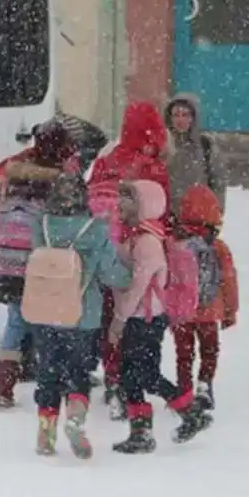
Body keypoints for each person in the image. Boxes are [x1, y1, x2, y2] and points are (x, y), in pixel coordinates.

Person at [24, 175, 130, 458]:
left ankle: (45, 432)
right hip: (82, 315)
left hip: (43, 312)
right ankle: (75, 419)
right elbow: (111, 274)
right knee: (78, 372)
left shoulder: (41, 226)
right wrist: (129, 275)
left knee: (48, 372)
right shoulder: (95, 231)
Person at [108, 180, 212, 453]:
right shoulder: (139, 235)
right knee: (135, 375)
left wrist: (119, 319)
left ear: (145, 205)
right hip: (144, 318)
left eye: (127, 198)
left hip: (144, 319)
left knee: (143, 375)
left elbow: (138, 286)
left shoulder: (147, 241)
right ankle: (150, 427)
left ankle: (179, 416)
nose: (120, 203)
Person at [88, 101, 171, 419]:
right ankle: (134, 381)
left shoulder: (107, 160)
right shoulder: (151, 166)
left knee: (108, 315)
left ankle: (112, 376)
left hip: (102, 249)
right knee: (136, 318)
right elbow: (160, 208)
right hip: (137, 247)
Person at [0, 120, 78, 408]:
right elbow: (63, 224)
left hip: (4, 255)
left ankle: (5, 387)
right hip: (33, 258)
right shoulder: (58, 182)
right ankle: (50, 379)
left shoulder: (12, 171)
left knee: (16, 319)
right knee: (45, 317)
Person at [171, 185, 239, 412]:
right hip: (210, 309)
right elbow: (228, 280)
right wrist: (230, 310)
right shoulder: (218, 246)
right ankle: (204, 385)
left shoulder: (174, 242)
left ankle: (184, 390)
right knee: (209, 350)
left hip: (182, 311)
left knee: (184, 353)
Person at [164, 94, 227, 217]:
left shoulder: (206, 145)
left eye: (185, 115)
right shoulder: (163, 145)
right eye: (176, 115)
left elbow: (218, 183)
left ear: (194, 118)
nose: (180, 120)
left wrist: (216, 213)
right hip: (167, 218)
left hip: (198, 218)